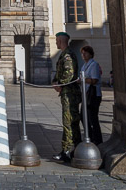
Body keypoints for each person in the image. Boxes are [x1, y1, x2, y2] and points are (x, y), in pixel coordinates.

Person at [51, 31, 81, 162]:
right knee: (70, 122)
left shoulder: (68, 55)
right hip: (67, 93)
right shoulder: (63, 54)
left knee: (68, 122)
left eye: (57, 41)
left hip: (70, 94)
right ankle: (74, 149)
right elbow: (60, 73)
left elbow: (69, 74)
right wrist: (55, 81)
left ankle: (67, 151)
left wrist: (60, 85)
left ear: (62, 41)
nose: (56, 43)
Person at [80, 45, 103, 145]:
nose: (83, 55)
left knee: (92, 118)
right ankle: (89, 136)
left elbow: (94, 80)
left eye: (86, 53)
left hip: (93, 95)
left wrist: (83, 80)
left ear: (90, 54)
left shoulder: (94, 65)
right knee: (83, 116)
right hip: (86, 95)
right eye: (82, 53)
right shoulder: (84, 65)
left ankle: (97, 139)